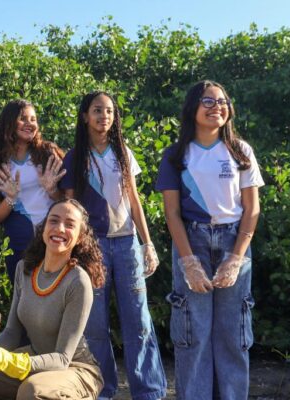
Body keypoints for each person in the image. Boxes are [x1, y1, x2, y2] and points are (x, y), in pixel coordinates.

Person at [156, 80, 263, 399]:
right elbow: (172, 213)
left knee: (233, 333)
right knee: (193, 333)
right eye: (208, 101)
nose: (217, 107)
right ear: (193, 108)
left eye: (222, 102)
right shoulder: (175, 155)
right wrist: (188, 261)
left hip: (234, 240)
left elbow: (252, 209)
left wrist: (236, 258)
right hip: (192, 241)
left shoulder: (241, 151)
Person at [0, 198, 105, 399]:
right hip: (36, 360)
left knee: (32, 389)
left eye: (70, 224)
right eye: (53, 220)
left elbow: (62, 358)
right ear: (44, 228)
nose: (60, 228)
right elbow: (11, 333)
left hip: (74, 369)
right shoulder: (24, 269)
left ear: (80, 237)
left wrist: (10, 362)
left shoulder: (78, 281)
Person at [60, 91, 166, 400]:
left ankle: (149, 392)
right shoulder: (74, 157)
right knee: (94, 325)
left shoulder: (123, 152)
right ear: (85, 116)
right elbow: (69, 207)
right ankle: (101, 390)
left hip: (127, 244)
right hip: (91, 247)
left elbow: (134, 200)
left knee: (139, 320)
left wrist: (148, 243)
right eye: (97, 110)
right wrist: (72, 249)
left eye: (109, 111)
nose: (104, 116)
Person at [0, 99, 65, 283]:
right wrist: (10, 198)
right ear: (9, 122)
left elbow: (70, 199)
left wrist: (52, 191)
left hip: (54, 235)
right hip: (20, 239)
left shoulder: (49, 153)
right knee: (24, 292)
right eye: (23, 118)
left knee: (56, 289)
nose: (30, 123)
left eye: (33, 119)